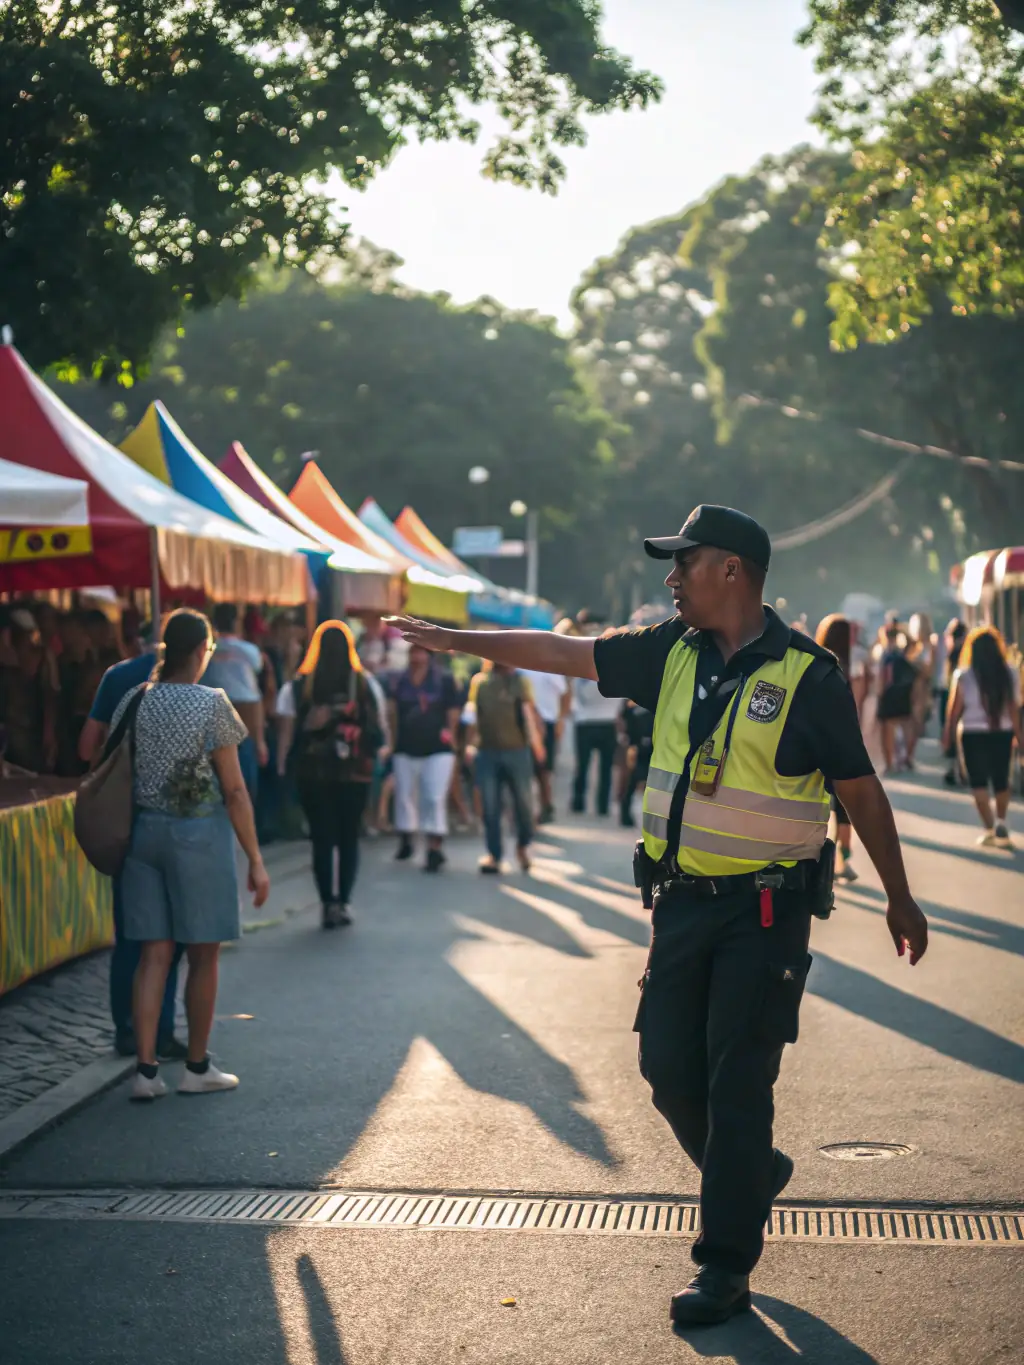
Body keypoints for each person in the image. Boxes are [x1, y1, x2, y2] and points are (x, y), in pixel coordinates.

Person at [387, 502, 927, 1327]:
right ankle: (747, 1172)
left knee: (737, 1080)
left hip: (767, 911)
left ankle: (722, 1267)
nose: (670, 579)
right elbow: (560, 653)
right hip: (679, 905)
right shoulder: (668, 653)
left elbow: (860, 790)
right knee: (667, 1070)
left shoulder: (807, 677)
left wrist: (898, 893)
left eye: (686, 563)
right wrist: (459, 642)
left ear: (733, 572)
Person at [111, 609, 270, 1100]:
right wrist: (256, 861)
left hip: (143, 837)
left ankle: (145, 1072)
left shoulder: (134, 700)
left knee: (153, 954)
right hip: (198, 836)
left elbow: (106, 760)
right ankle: (196, 1067)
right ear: (201, 651)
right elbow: (235, 791)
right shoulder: (212, 702)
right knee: (203, 954)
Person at [78, 630, 185, 1059]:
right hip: (176, 824)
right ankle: (160, 1030)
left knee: (129, 936)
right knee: (169, 938)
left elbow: (88, 745)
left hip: (126, 822)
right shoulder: (194, 685)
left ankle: (125, 1029)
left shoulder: (119, 678)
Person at [275, 621, 388, 926]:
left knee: (322, 840)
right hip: (355, 774)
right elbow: (380, 732)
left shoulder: (298, 687)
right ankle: (344, 901)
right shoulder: (365, 684)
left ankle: (328, 903)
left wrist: (285, 762)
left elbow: (285, 731)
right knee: (348, 838)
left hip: (314, 775)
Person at [942, 626, 1022, 848]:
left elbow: (954, 710)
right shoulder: (1010, 673)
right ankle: (1002, 821)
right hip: (1002, 732)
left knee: (977, 781)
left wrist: (947, 734)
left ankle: (988, 828)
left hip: (972, 733)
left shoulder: (963, 676)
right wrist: (1019, 735)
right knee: (1001, 779)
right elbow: (1014, 707)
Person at [387, 644, 461, 872]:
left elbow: (453, 712)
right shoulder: (399, 681)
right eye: (413, 652)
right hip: (406, 746)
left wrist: (452, 735)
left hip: (437, 748)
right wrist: (392, 741)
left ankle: (434, 846)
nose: (416, 657)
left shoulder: (444, 681)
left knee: (433, 796)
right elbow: (391, 712)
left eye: (421, 652)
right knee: (404, 795)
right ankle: (406, 837)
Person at [465, 661, 545, 873]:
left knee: (524, 804)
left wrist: (537, 745)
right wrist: (469, 745)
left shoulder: (520, 682)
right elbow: (474, 715)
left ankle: (523, 846)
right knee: (490, 806)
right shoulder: (480, 682)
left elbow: (529, 715)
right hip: (487, 751)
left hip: (517, 751)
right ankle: (494, 854)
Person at [815, 613, 863, 882]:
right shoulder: (841, 668)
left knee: (822, 804)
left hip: (816, 745)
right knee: (845, 805)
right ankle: (843, 858)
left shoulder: (814, 663)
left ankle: (828, 860)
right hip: (839, 745)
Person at [202, 603, 267, 801]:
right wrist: (261, 742)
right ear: (236, 622)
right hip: (244, 725)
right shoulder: (249, 651)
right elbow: (254, 696)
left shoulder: (206, 651)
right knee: (244, 788)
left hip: (210, 727)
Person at [0, 609, 58, 773]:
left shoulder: (41, 667)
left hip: (30, 749)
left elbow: (49, 696)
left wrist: (49, 731)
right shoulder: (7, 676)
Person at [519, 666, 570, 823]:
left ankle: (546, 804)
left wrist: (561, 719)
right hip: (524, 723)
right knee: (527, 769)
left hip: (547, 722)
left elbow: (565, 694)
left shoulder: (549, 668)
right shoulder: (518, 669)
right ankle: (530, 809)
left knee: (544, 769)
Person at [570, 673, 621, 816]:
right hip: (607, 722)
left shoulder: (581, 677)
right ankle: (602, 806)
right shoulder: (616, 675)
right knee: (605, 768)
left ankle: (578, 802)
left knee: (583, 765)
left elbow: (578, 696)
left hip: (586, 722)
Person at [877, 621, 917, 774]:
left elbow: (883, 677)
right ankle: (907, 757)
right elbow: (913, 643)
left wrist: (879, 695)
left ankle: (889, 763)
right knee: (906, 726)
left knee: (888, 730)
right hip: (903, 693)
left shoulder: (885, 654)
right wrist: (902, 630)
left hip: (889, 694)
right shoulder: (903, 652)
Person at [939, 618, 968, 786]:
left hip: (952, 694)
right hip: (957, 694)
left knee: (953, 731)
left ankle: (957, 769)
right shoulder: (965, 652)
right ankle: (960, 770)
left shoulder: (954, 653)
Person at [618, 698, 654, 828]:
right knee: (631, 781)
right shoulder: (631, 699)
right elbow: (623, 719)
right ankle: (625, 814)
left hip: (655, 746)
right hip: (635, 747)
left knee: (653, 784)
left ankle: (652, 818)